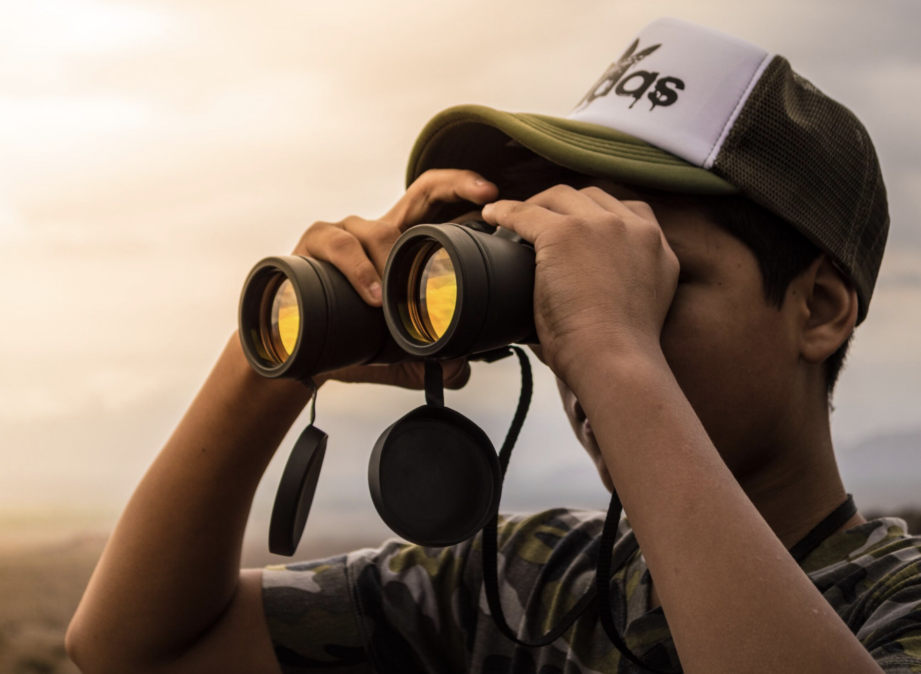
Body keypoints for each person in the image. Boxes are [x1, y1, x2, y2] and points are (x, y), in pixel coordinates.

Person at [65, 17, 921, 674]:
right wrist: (282, 350)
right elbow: (138, 649)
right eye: (556, 267)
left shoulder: (894, 605)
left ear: (819, 308)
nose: (573, 320)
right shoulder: (527, 585)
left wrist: (615, 354)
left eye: (646, 267)